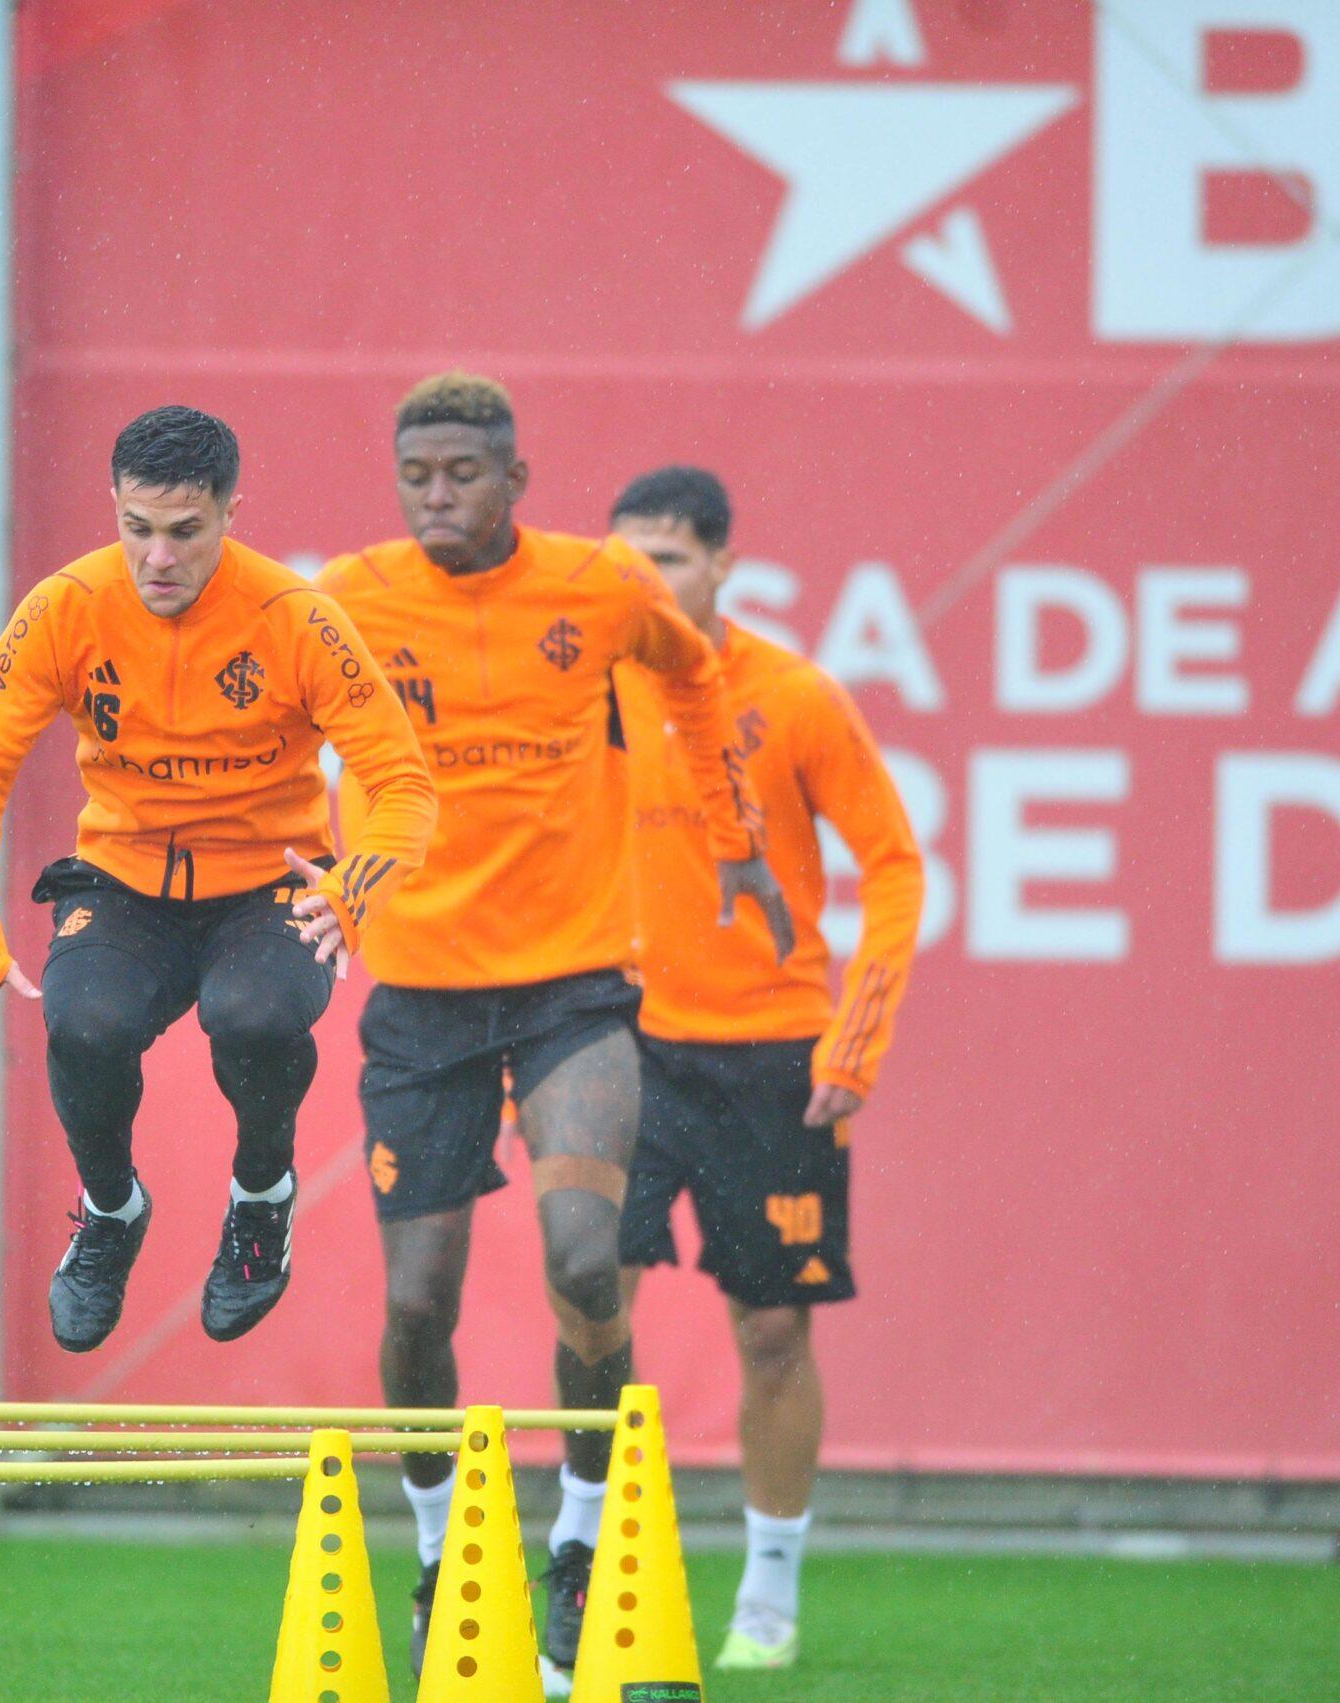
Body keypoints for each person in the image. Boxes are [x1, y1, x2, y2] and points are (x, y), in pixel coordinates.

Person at [316, 374, 791, 1687]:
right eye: (416, 473)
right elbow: (263, 715)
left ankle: (577, 1551)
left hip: (576, 988)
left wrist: (739, 842)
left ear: (518, 480)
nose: (437, 496)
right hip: (418, 1000)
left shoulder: (598, 587)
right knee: (418, 1302)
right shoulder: (349, 597)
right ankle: (434, 1555)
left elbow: (696, 687)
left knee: (588, 1264)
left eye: (464, 472)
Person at [0, 404, 434, 1352]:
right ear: (113, 506)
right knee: (83, 1025)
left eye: (186, 532)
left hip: (267, 886)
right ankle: (111, 1211)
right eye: (137, 528)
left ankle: (261, 1197)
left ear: (232, 513)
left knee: (257, 1016)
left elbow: (402, 782)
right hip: (121, 883)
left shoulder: (298, 617)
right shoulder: (65, 608)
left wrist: (355, 887)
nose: (159, 557)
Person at [609, 467, 923, 1672]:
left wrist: (858, 1039)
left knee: (773, 1327)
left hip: (769, 1053)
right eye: (627, 562)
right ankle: (595, 1563)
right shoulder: (590, 694)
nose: (650, 583)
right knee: (593, 1301)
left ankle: (769, 1590)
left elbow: (893, 865)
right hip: (617, 1040)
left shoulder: (793, 697)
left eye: (671, 560)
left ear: (725, 563)